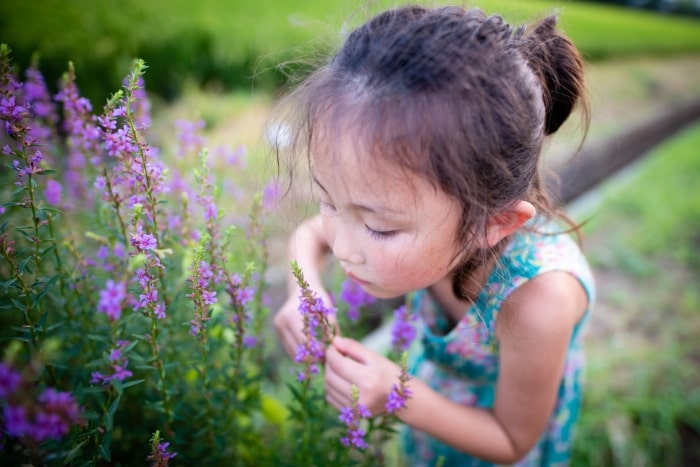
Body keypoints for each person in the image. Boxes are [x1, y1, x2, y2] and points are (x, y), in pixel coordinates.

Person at [272, 5, 595, 466]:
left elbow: (511, 439)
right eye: (329, 201)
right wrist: (301, 293)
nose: (343, 246)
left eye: (379, 228)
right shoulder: (427, 221)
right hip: (431, 423)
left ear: (492, 224)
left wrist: (398, 394)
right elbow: (310, 235)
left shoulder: (541, 300)